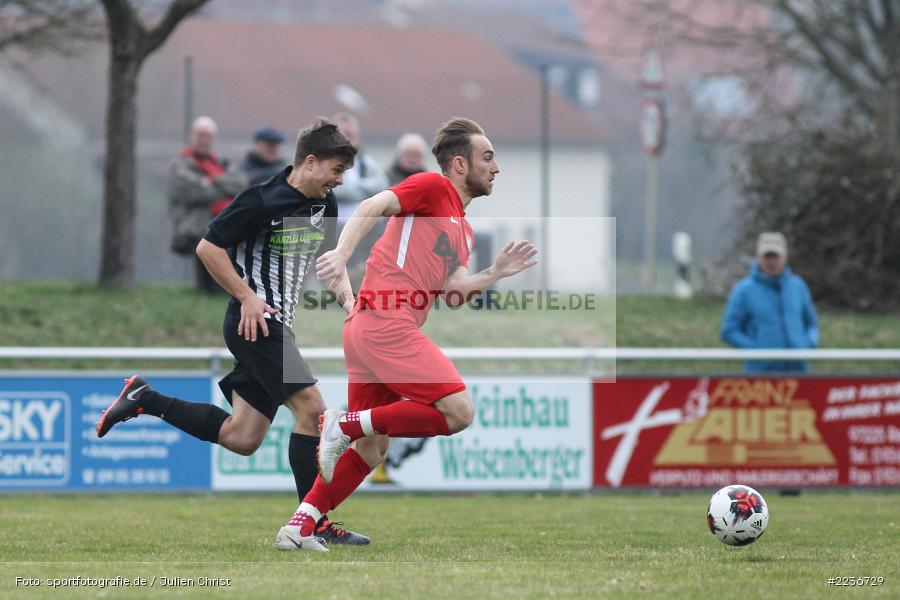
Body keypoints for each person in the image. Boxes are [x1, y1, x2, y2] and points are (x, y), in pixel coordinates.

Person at [97, 118, 369, 546]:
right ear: (310, 161)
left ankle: (144, 398)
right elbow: (208, 247)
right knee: (314, 412)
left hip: (279, 327)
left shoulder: (324, 206)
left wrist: (349, 298)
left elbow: (316, 265)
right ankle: (311, 524)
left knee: (242, 438)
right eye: (335, 170)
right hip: (255, 325)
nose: (339, 181)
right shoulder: (260, 199)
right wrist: (246, 297)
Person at [276, 117, 538, 552]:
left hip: (369, 328)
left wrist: (494, 274)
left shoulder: (462, 226)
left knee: (373, 449)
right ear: (459, 164)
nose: (497, 167)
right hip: (386, 324)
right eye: (488, 157)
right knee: (458, 412)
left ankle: (300, 524)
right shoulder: (432, 188)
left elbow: (452, 293)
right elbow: (371, 207)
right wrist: (341, 254)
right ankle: (345, 423)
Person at [168, 116, 247, 294]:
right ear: (191, 137)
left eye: (208, 136)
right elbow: (192, 192)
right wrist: (224, 187)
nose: (204, 140)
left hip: (225, 221)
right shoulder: (180, 164)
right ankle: (214, 290)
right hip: (195, 225)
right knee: (215, 237)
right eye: (200, 135)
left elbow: (241, 185)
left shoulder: (220, 163)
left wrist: (212, 179)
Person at [721, 231, 819, 373]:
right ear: (758, 257)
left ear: (784, 256)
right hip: (761, 375)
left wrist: (808, 344)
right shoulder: (743, 290)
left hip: (799, 371)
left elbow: (811, 324)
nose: (771, 262)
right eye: (767, 257)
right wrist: (756, 350)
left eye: (775, 257)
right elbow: (729, 331)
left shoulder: (798, 286)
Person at [331, 113, 390, 288]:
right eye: (343, 135)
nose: (348, 140)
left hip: (365, 223)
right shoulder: (326, 161)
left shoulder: (366, 163)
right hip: (334, 223)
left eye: (351, 135)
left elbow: (382, 185)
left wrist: (353, 189)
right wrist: (360, 190)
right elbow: (338, 189)